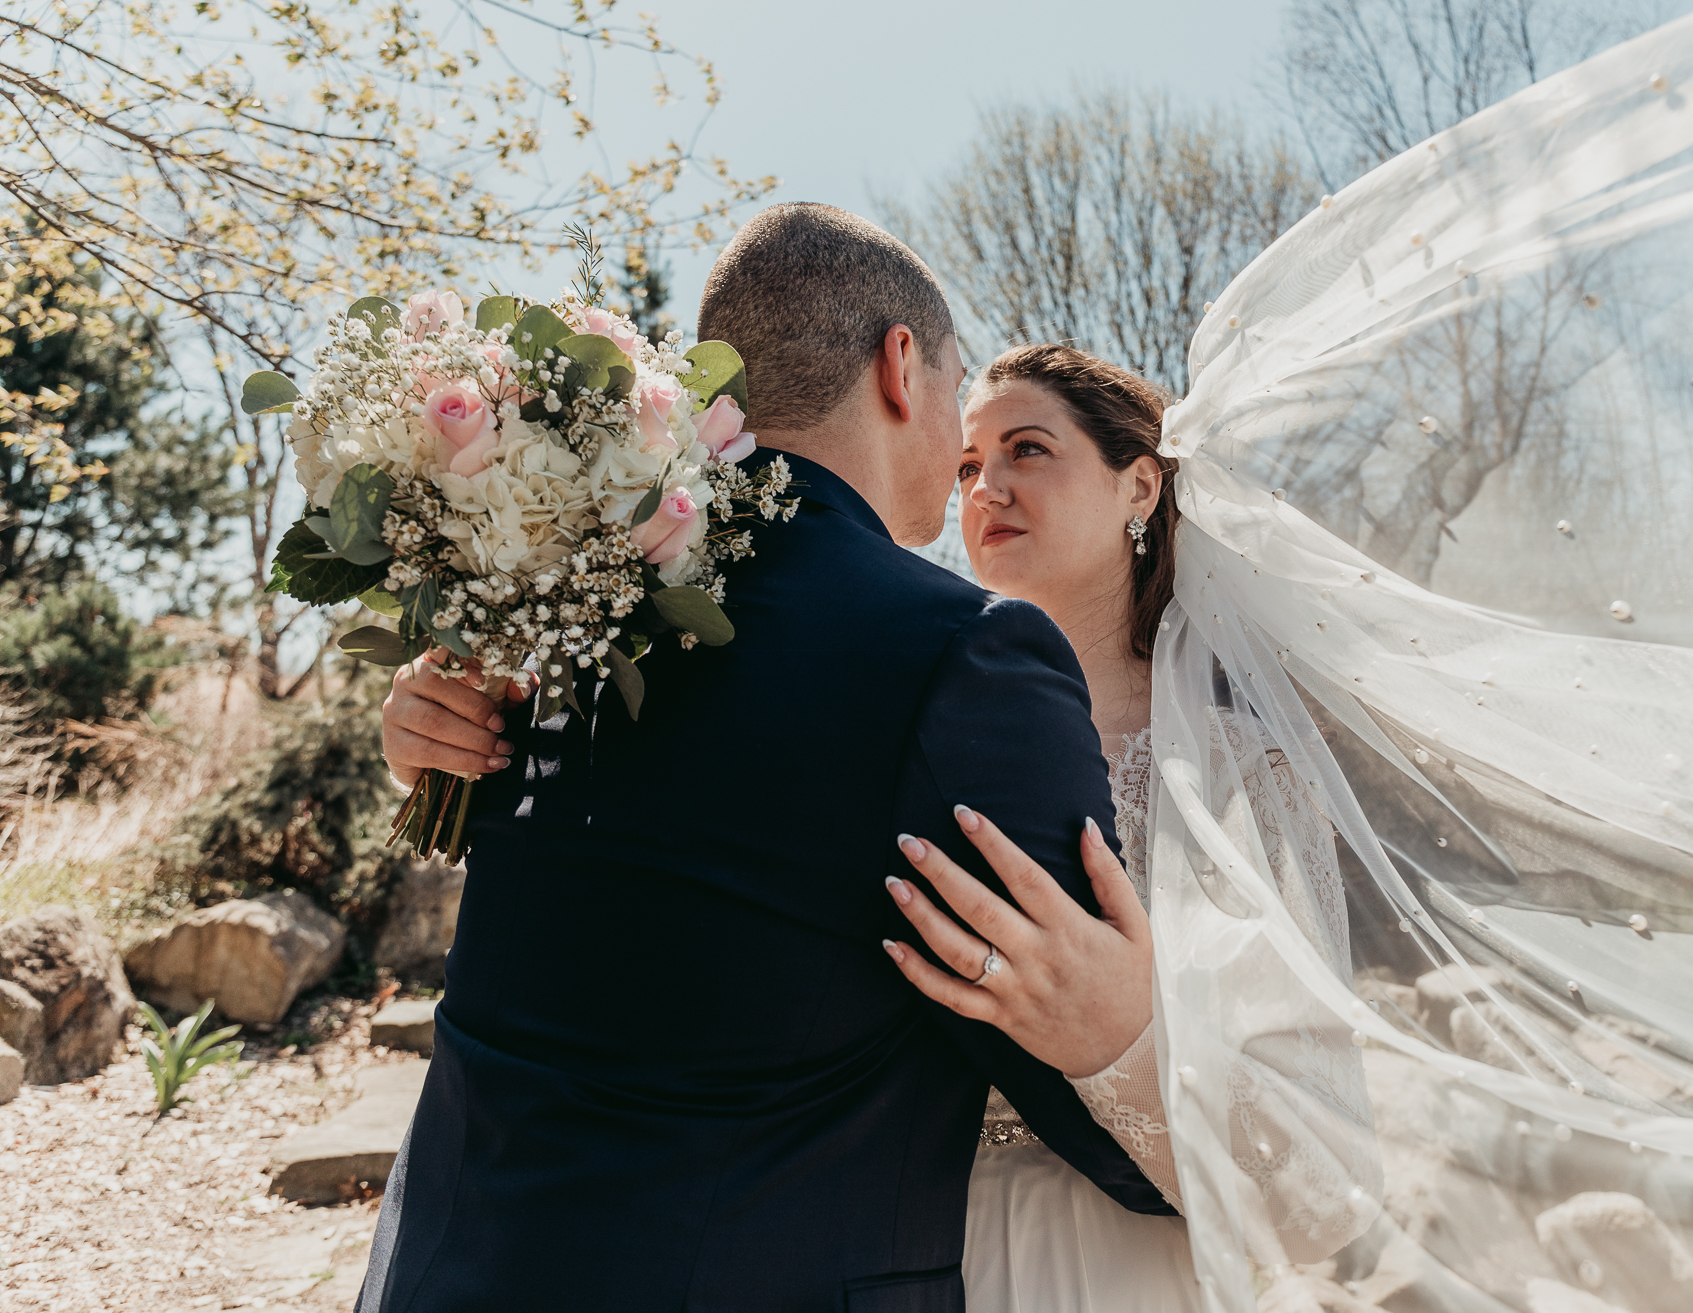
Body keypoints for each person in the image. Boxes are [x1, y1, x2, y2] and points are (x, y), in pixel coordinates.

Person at [358, 203, 1171, 1313]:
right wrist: (1140, 1048)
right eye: (955, 400)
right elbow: (1092, 1101)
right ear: (898, 367)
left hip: (448, 1268)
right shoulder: (959, 652)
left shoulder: (564, 603)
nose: (971, 474)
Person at [880, 344, 1377, 1312]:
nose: (988, 488)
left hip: (1123, 1264)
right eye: (969, 464)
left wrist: (1123, 1040)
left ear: (1137, 484)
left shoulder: (1237, 771)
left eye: (1027, 449)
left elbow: (1322, 1175)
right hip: (898, 1249)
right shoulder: (897, 728)